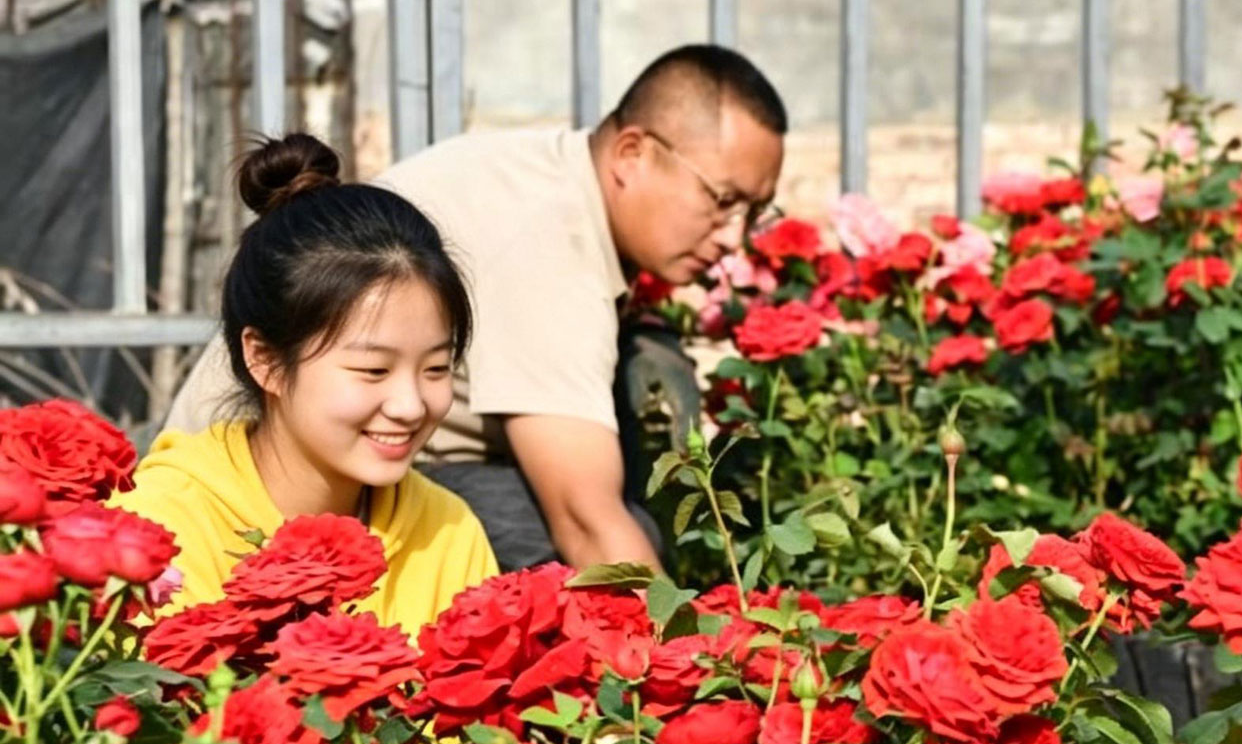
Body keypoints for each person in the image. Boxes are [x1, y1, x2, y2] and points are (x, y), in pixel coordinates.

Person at [165, 44, 788, 573]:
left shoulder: (547, 179)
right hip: (252, 493)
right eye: (723, 200)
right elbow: (587, 525)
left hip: (355, 458)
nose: (735, 236)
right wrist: (700, 686)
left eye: (755, 213)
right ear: (632, 154)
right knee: (576, 552)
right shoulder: (552, 237)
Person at [118, 134, 496, 633]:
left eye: (436, 369)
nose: (410, 405)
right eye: (373, 371)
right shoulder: (163, 527)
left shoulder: (448, 531)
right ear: (265, 360)